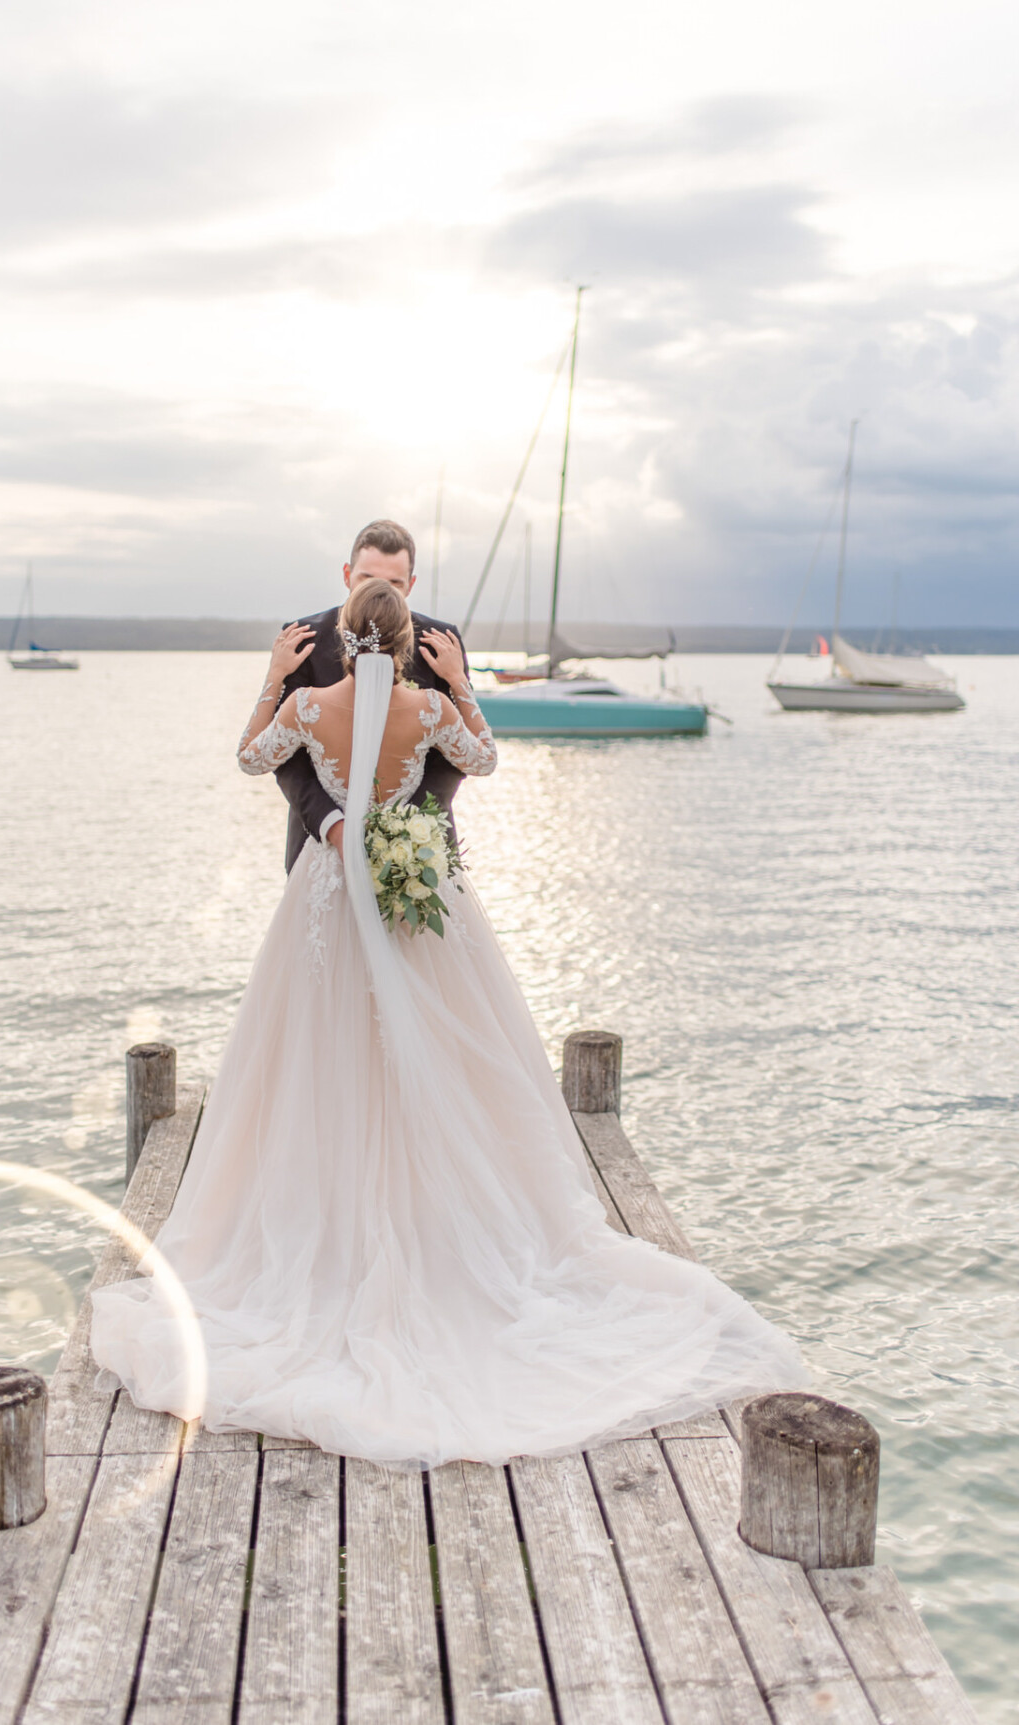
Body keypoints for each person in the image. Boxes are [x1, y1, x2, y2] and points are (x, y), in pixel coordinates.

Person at [91, 566, 806, 1469]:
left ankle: (326, 1219)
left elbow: (248, 758)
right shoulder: (426, 713)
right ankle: (441, 1217)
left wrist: (276, 676)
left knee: (322, 1057)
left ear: (346, 631)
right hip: (416, 888)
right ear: (402, 639)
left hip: (327, 899)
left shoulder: (311, 711)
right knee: (430, 1047)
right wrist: (462, 686)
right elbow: (483, 758)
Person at [267, 518, 473, 873]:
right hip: (321, 845)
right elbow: (286, 757)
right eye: (367, 578)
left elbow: (455, 755)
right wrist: (334, 827)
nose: (381, 590)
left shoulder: (440, 641)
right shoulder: (303, 638)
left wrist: (405, 828)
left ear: (411, 584)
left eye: (394, 582)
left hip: (419, 847)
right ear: (347, 574)